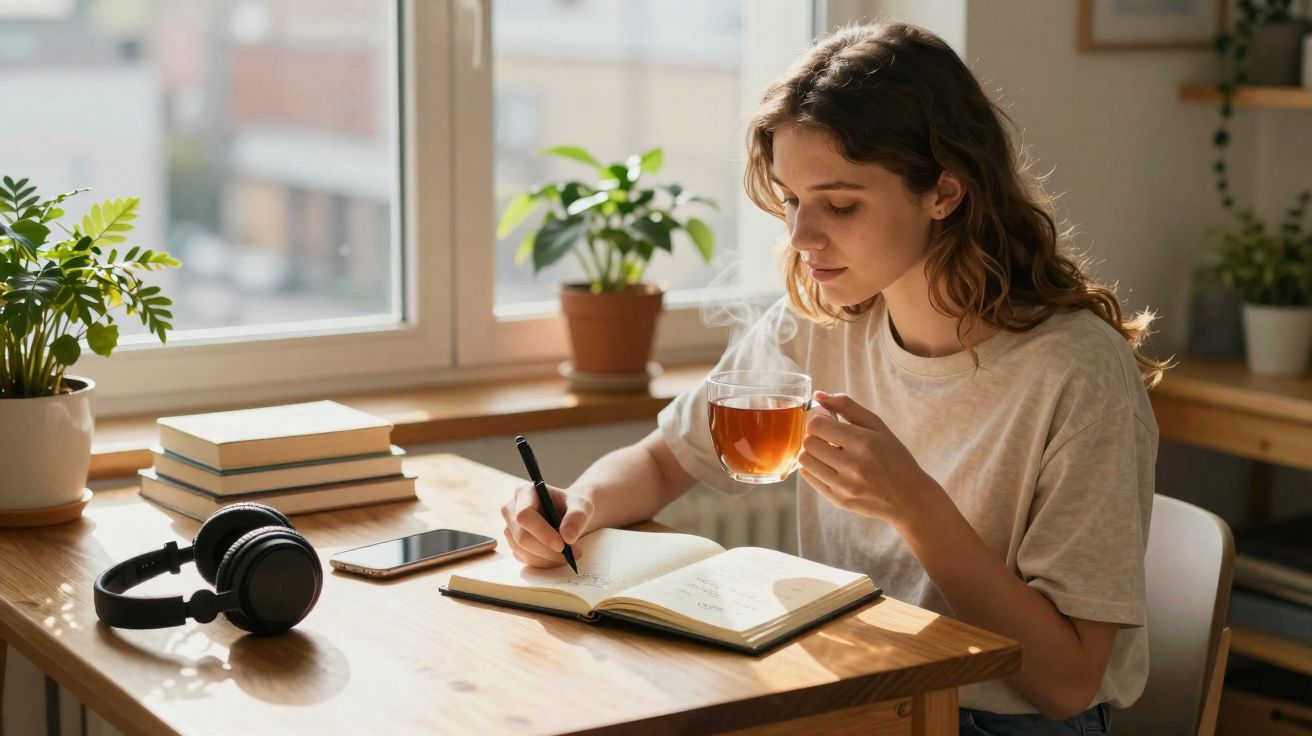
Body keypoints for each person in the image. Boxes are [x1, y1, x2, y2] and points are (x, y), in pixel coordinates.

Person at [501, 21, 1166, 736]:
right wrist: (576, 507)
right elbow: (666, 458)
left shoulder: (1077, 374)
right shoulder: (820, 323)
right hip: (853, 687)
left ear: (944, 191)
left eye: (840, 205)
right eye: (791, 200)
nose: (800, 238)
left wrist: (914, 505)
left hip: (996, 717)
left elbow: (1067, 683)